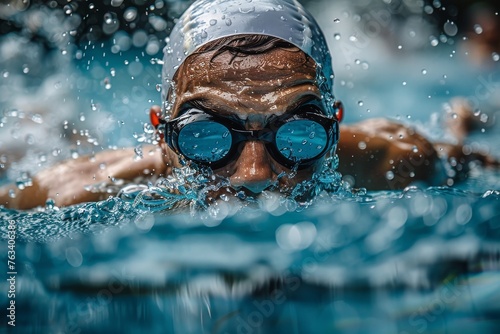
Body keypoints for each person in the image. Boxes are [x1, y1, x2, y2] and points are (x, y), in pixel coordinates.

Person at [0, 0, 496, 210]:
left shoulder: (393, 161)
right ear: (162, 133)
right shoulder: (73, 192)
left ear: (333, 124)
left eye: (297, 134)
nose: (255, 174)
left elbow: (474, 166)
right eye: (206, 137)